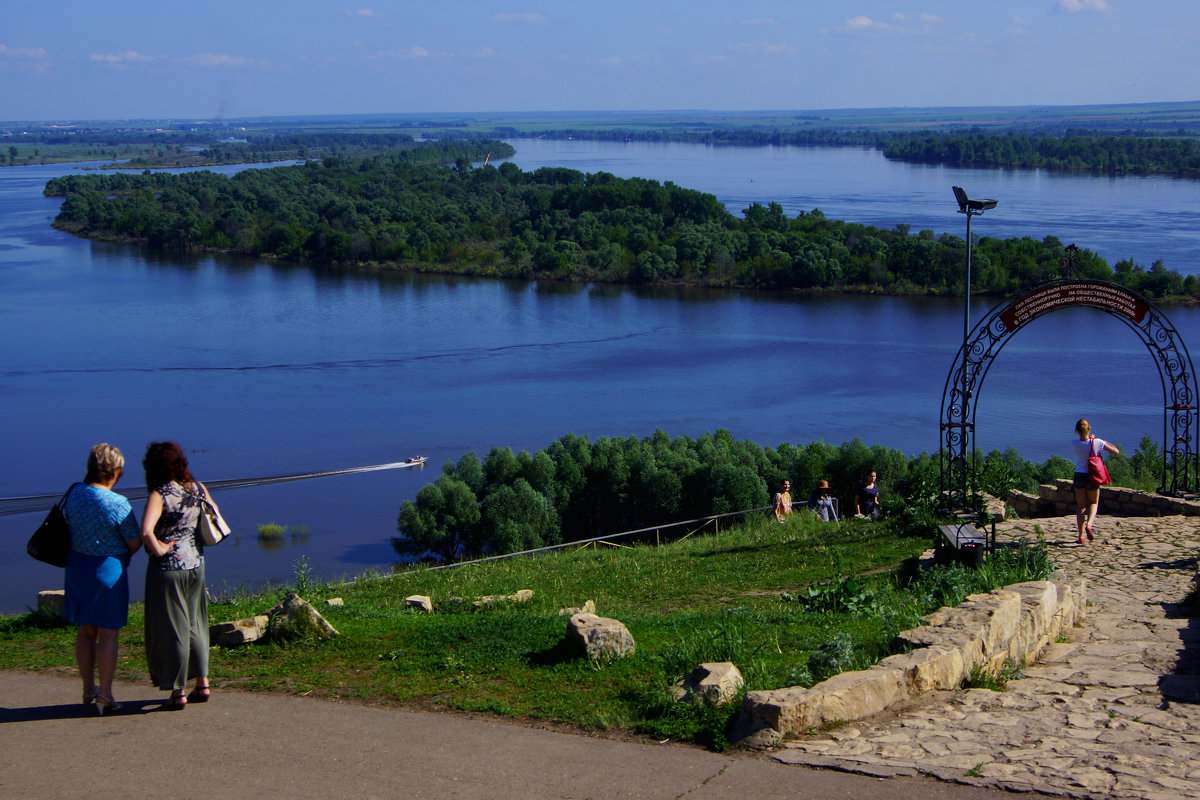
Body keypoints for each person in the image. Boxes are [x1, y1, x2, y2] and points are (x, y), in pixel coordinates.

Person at [62, 443, 142, 715]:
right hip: (109, 571)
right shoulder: (117, 503)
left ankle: (88, 688)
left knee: (85, 631)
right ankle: (106, 693)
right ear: (116, 471)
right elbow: (133, 542)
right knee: (108, 634)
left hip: (77, 567)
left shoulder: (73, 493)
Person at [141, 441, 215, 710]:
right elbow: (212, 514)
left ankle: (178, 691)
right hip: (196, 565)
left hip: (168, 570)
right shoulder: (196, 488)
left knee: (174, 630)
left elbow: (147, 531)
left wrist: (160, 547)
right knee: (197, 624)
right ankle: (203, 683)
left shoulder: (159, 495)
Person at [1071, 419, 1119, 544]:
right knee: (1093, 502)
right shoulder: (1097, 442)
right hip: (1093, 477)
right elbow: (1116, 451)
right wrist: (1101, 441)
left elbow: (1084, 445)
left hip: (1079, 475)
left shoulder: (1074, 443)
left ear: (1077, 431)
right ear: (1089, 429)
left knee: (1081, 506)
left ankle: (1081, 536)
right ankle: (1089, 525)